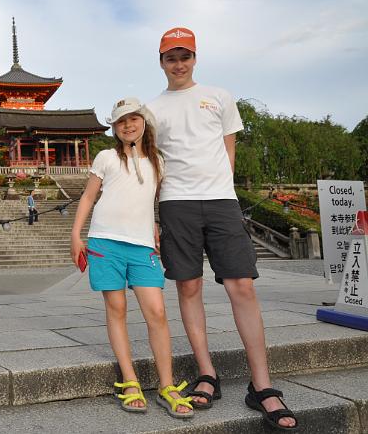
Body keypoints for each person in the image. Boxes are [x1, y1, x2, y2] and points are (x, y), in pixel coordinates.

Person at [147, 27, 297, 430]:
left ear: (195, 58)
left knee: (241, 285)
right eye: (170, 57)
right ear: (160, 62)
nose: (178, 64)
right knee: (189, 286)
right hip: (176, 201)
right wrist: (154, 218)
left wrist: (224, 187)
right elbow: (153, 165)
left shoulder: (219, 97)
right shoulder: (151, 110)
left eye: (185, 56)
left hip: (220, 200)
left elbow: (228, 146)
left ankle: (262, 384)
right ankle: (207, 372)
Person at [71, 97, 193, 419]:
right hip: (104, 242)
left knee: (157, 311)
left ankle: (167, 385)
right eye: (121, 121)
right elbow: (88, 197)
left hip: (142, 246)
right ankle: (130, 381)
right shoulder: (106, 157)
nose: (128, 125)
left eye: (133, 119)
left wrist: (155, 226)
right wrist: (75, 235)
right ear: (115, 127)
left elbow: (155, 200)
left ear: (143, 122)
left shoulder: (158, 162)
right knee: (117, 307)